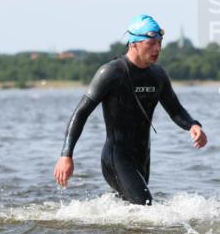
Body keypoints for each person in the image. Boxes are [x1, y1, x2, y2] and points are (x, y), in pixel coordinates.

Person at [53, 14, 207, 205]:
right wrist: (66, 155)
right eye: (151, 43)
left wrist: (193, 125)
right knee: (146, 208)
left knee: (132, 214)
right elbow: (81, 112)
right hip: (116, 157)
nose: (157, 48)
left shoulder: (158, 75)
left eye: (160, 43)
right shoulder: (110, 73)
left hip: (143, 157)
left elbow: (175, 109)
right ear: (133, 43)